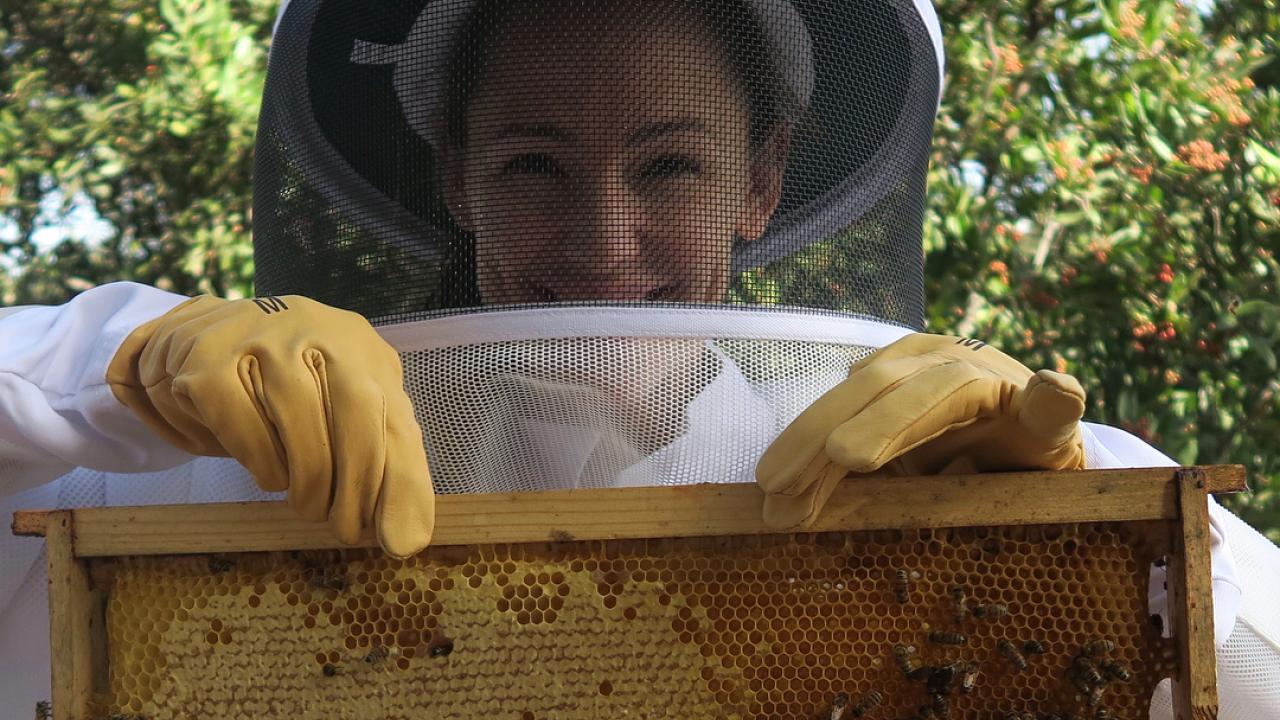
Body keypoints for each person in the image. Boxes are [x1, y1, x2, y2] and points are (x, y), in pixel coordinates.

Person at [0, 0, 1275, 716]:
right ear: (456, 179)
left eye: (667, 163)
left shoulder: (953, 484)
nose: (602, 239)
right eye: (531, 165)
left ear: (759, 181)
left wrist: (1079, 528)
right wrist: (109, 368)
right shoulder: (209, 489)